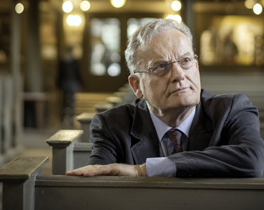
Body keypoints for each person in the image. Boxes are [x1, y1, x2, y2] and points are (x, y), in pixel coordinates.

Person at [66, 18, 264, 178]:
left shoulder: (232, 111)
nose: (179, 75)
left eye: (186, 61)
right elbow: (97, 190)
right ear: (137, 85)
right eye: (161, 66)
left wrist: (143, 170)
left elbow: (253, 161)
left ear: (196, 67)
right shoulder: (113, 126)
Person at [58, 45, 83, 125]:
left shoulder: (70, 62)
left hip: (69, 83)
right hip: (69, 83)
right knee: (69, 101)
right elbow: (60, 74)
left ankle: (68, 117)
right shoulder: (65, 62)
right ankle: (68, 117)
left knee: (68, 101)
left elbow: (77, 73)